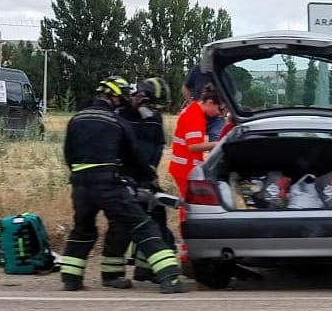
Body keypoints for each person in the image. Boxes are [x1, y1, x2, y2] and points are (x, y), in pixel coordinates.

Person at [58, 76, 186, 294]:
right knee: (142, 225)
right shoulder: (116, 121)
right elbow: (134, 154)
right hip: (108, 185)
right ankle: (170, 278)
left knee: (83, 230)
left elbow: (68, 153)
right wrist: (150, 176)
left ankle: (71, 279)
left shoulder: (77, 118)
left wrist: (80, 176)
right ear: (113, 96)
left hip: (80, 187)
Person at [116, 77, 174, 283]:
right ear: (139, 98)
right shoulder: (121, 115)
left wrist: (152, 169)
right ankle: (116, 271)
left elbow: (158, 144)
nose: (154, 111)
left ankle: (145, 269)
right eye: (152, 106)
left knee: (157, 216)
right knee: (130, 223)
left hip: (147, 176)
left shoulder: (154, 117)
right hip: (126, 176)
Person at [168, 85, 224, 201]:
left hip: (185, 167)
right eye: (218, 109)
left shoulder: (193, 111)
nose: (218, 113)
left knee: (190, 204)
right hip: (185, 168)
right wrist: (218, 144)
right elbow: (193, 147)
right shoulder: (194, 116)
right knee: (190, 206)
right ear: (209, 102)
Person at [182, 63, 225, 141]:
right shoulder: (196, 70)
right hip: (197, 115)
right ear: (210, 102)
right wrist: (191, 104)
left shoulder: (223, 72)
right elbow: (185, 88)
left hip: (215, 119)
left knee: (217, 138)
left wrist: (224, 112)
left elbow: (233, 94)